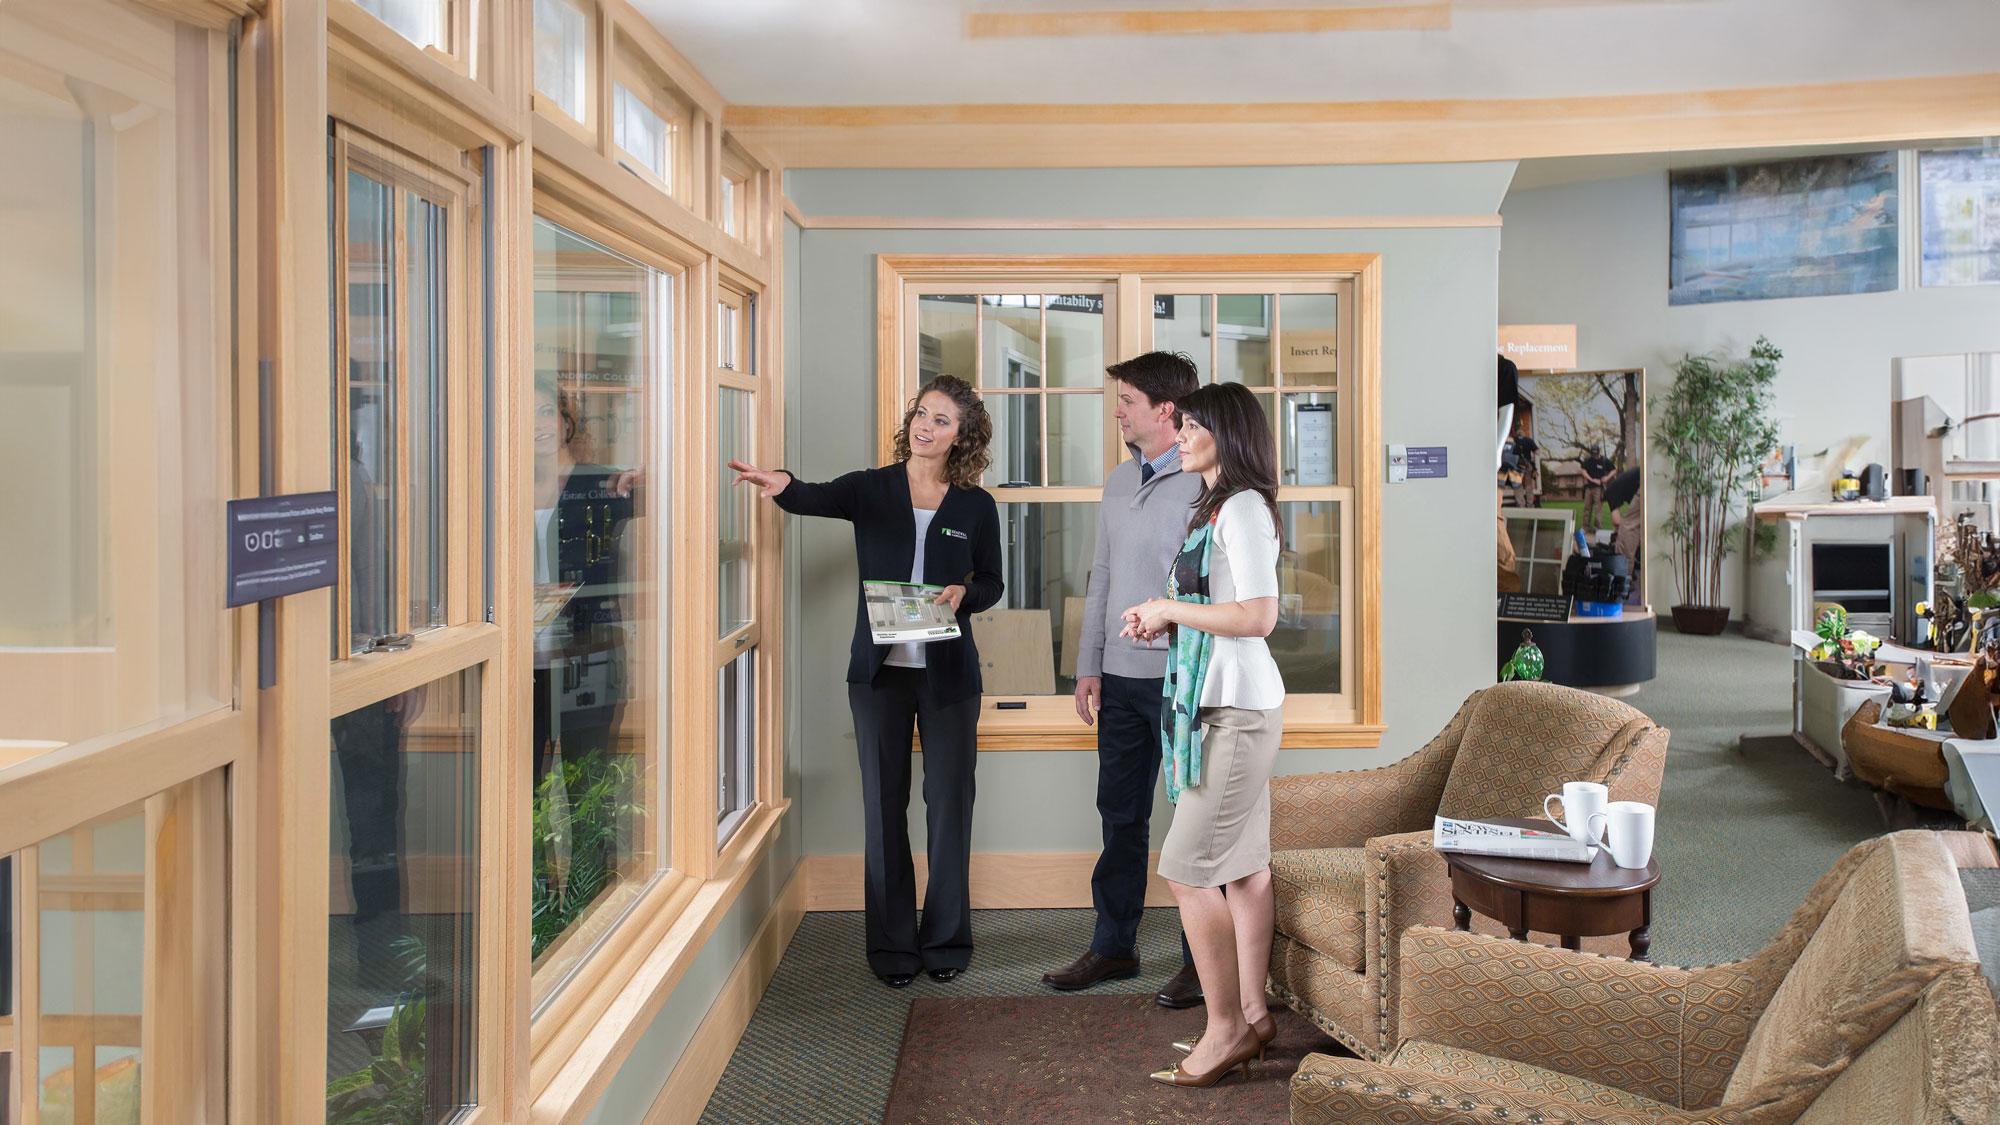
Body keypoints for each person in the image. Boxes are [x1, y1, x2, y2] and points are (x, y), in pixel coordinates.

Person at [730, 375, 1002, 988]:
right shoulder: (873, 488)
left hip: (950, 678)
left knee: (949, 808)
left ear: (963, 437)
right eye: (921, 414)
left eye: (941, 420)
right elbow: (814, 495)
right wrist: (779, 485)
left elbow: (993, 581)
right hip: (878, 678)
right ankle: (892, 947)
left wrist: (965, 594)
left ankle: (947, 940)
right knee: (883, 807)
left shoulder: (976, 506)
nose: (925, 427)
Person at [1119, 382, 1286, 1089]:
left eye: (1192, 425)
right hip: (1227, 705)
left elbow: (1257, 615)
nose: (1178, 433)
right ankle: (1252, 1013)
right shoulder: (1215, 507)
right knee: (1244, 871)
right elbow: (1214, 608)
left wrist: (1170, 608)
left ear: (1229, 433)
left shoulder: (1242, 507)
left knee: (1186, 870)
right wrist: (1164, 616)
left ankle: (1224, 1030)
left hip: (1236, 714)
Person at [1042, 352, 1206, 1006]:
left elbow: (1219, 588)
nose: (1118, 409)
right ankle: (1114, 945)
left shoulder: (1205, 484)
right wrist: (1088, 663)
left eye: (1128, 399)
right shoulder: (1117, 480)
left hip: (1183, 681)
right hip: (1118, 678)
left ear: (1165, 410)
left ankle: (1203, 960)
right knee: (1120, 815)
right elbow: (1101, 577)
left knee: (1194, 823)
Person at [1578, 444, 1615, 532]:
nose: (1595, 455)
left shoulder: (1604, 461)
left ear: (1599, 452)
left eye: (1596, 453)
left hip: (1599, 488)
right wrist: (1591, 479)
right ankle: (1585, 527)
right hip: (1588, 488)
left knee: (1598, 508)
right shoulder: (1588, 460)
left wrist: (1607, 478)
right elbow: (1583, 470)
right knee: (1587, 507)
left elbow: (1614, 470)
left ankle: (1598, 528)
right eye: (1593, 453)